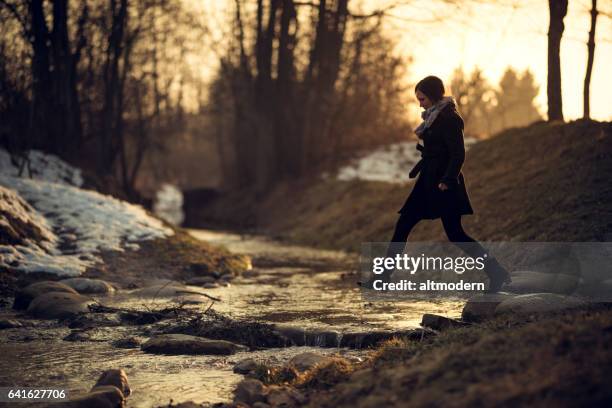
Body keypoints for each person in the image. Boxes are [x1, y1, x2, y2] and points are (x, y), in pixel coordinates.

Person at [361, 75, 511, 292]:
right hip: (427, 183)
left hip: (444, 185)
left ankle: (497, 273)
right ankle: (383, 277)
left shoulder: (449, 118)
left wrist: (448, 180)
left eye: (422, 99)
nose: (419, 103)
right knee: (403, 225)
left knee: (456, 234)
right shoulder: (433, 118)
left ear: (431, 96)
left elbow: (458, 154)